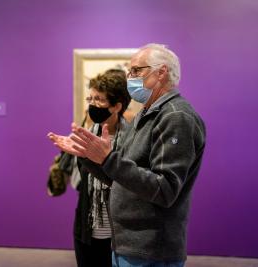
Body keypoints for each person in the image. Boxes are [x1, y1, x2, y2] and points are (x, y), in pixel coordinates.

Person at [48, 43, 206, 267]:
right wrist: (85, 155)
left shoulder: (176, 117)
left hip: (151, 250)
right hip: (127, 244)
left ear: (161, 72)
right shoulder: (146, 114)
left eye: (136, 71)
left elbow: (165, 190)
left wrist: (108, 158)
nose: (130, 77)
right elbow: (118, 177)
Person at [68, 69, 132, 267]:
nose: (93, 104)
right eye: (91, 98)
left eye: (100, 100)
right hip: (87, 227)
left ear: (116, 106)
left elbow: (130, 183)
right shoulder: (85, 135)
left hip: (120, 231)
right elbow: (77, 183)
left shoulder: (132, 139)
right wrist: (77, 153)